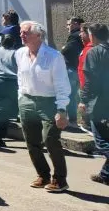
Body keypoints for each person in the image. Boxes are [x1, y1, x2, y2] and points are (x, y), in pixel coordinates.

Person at [16, 21, 71, 193]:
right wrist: (21, 97)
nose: (21, 35)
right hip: (26, 101)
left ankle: (60, 179)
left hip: (49, 102)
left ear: (38, 35)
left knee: (50, 139)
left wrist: (62, 110)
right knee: (31, 142)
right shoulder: (20, 54)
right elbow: (20, 78)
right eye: (21, 32)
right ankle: (43, 175)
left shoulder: (54, 56)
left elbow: (62, 84)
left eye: (26, 32)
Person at [78, 23, 109, 185]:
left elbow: (90, 81)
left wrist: (83, 100)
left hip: (99, 103)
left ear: (92, 36)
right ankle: (106, 175)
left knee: (101, 141)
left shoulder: (94, 52)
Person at [61, 17, 85, 126]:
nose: (67, 27)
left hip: (71, 69)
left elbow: (65, 50)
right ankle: (82, 119)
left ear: (75, 24)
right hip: (79, 69)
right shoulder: (81, 36)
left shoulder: (74, 35)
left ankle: (72, 120)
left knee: (70, 95)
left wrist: (63, 48)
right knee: (78, 95)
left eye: (69, 24)